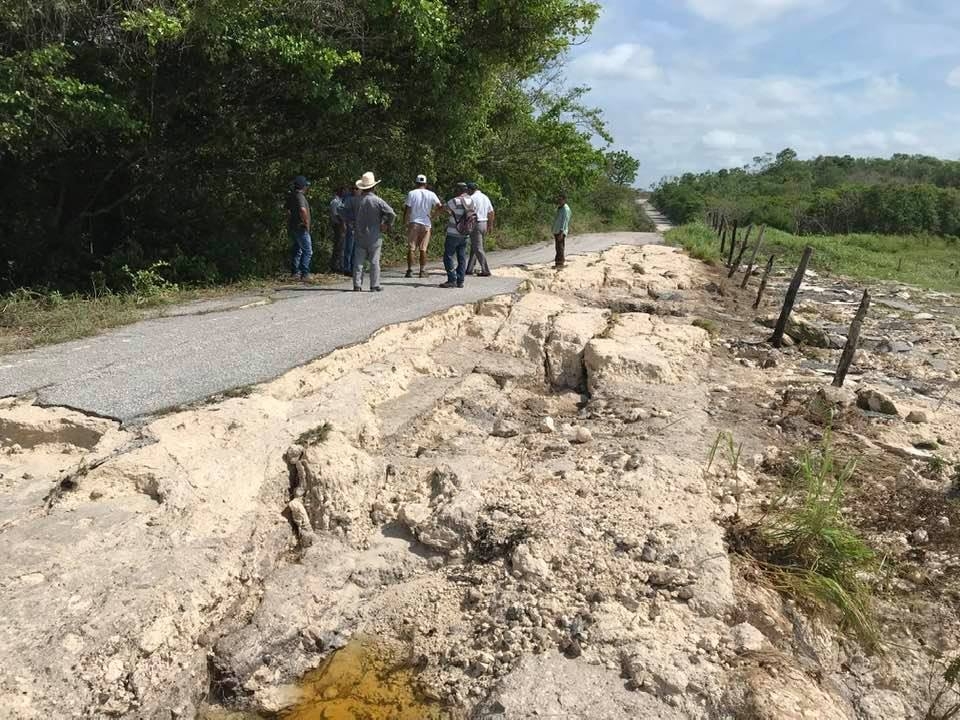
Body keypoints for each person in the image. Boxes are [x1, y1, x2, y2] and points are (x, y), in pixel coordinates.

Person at [352, 172, 395, 292]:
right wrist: (386, 224)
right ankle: (374, 285)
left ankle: (357, 285)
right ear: (374, 187)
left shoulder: (355, 200)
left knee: (358, 261)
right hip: (374, 235)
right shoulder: (378, 201)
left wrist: (350, 222)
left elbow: (342, 210)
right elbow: (391, 213)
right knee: (374, 261)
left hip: (359, 234)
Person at [403, 174, 442, 278]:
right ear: (425, 184)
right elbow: (440, 206)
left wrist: (405, 221)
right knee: (423, 248)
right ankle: (422, 271)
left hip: (414, 222)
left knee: (411, 247)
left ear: (416, 183)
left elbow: (407, 209)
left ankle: (410, 270)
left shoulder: (411, 193)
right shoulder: (431, 194)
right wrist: (433, 216)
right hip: (426, 223)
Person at [440, 182, 476, 289]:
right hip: (465, 233)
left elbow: (443, 208)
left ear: (458, 190)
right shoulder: (471, 201)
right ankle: (460, 280)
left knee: (448, 256)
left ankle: (452, 279)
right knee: (462, 257)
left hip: (453, 233)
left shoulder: (455, 200)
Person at [465, 182, 494, 277]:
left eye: (467, 190)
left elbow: (468, 213)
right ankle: (469, 268)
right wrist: (490, 225)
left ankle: (485, 270)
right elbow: (491, 212)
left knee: (478, 248)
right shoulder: (485, 197)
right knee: (475, 247)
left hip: (476, 223)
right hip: (484, 223)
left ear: (470, 189)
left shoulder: (472, 198)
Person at [286, 175, 312, 281]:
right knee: (308, 250)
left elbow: (287, 211)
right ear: (302, 186)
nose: (307, 187)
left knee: (297, 249)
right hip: (301, 227)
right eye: (306, 185)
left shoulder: (291, 196)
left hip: (293, 226)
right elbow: (302, 209)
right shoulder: (300, 196)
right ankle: (305, 273)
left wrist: (290, 221)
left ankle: (295, 272)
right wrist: (306, 222)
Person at [339, 186, 359, 276]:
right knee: (349, 247)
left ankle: (353, 267)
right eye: (353, 188)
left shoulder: (362, 198)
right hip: (350, 225)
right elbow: (340, 210)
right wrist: (345, 222)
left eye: (356, 189)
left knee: (356, 248)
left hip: (359, 226)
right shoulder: (348, 199)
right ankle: (347, 268)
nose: (355, 190)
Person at [329, 187, 346, 273]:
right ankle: (336, 266)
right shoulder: (335, 202)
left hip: (339, 225)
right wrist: (343, 225)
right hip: (338, 225)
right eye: (342, 189)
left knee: (340, 246)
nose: (344, 191)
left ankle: (338, 265)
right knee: (339, 246)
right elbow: (338, 215)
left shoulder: (340, 200)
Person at [552, 192, 572, 269]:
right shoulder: (560, 208)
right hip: (556, 230)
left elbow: (565, 221)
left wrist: (561, 231)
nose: (559, 201)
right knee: (558, 247)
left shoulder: (565, 209)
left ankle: (560, 264)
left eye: (560, 199)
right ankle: (558, 263)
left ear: (564, 200)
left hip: (561, 231)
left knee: (560, 247)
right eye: (558, 199)